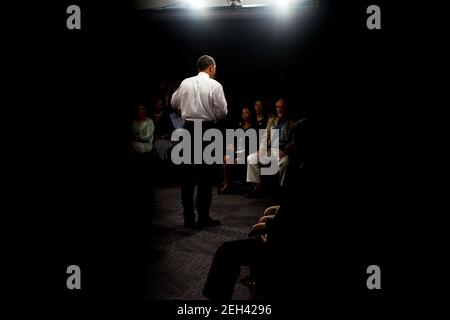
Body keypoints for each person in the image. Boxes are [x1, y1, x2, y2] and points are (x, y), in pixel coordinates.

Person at [171, 55, 228, 229]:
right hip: (207, 131)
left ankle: (188, 218)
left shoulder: (185, 82)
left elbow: (174, 103)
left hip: (188, 129)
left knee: (187, 178)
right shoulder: (215, 85)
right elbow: (222, 112)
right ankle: (203, 218)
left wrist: (186, 110)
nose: (215, 70)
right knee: (205, 178)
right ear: (210, 67)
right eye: (215, 67)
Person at [246, 98, 296, 197]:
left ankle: (283, 190)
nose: (279, 109)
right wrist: (261, 149)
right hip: (270, 150)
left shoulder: (292, 123)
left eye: (282, 107)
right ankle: (257, 187)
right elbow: (266, 136)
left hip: (283, 151)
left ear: (285, 108)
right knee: (251, 158)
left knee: (286, 162)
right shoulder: (272, 120)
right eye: (278, 107)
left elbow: (294, 141)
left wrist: (286, 151)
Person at [219, 105, 255, 194]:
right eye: (243, 113)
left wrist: (241, 149)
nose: (244, 114)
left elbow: (253, 145)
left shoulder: (254, 128)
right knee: (226, 157)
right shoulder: (239, 126)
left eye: (246, 112)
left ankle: (248, 185)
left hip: (248, 151)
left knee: (238, 159)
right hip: (238, 150)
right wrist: (232, 146)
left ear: (251, 114)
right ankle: (227, 184)